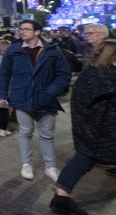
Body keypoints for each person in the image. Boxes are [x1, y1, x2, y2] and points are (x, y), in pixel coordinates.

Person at [0, 20, 71, 182]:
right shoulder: (13, 50)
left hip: (45, 99)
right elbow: (4, 74)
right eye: (21, 29)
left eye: (26, 29)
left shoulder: (51, 50)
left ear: (37, 32)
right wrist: (2, 93)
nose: (22, 32)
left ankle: (50, 167)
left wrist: (50, 92)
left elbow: (64, 74)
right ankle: (26, 164)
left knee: (47, 134)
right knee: (25, 132)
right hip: (22, 98)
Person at [49, 39, 116, 214]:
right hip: (101, 128)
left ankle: (61, 196)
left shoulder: (90, 73)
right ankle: (61, 197)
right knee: (83, 160)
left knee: (82, 159)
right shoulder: (110, 77)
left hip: (86, 126)